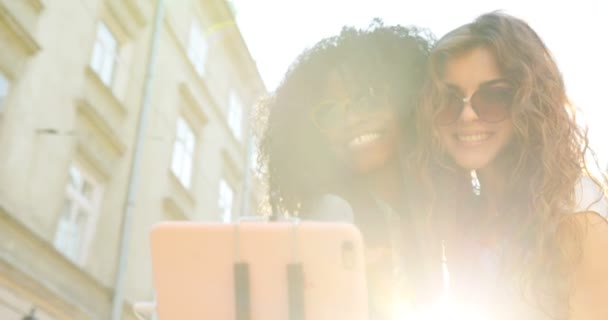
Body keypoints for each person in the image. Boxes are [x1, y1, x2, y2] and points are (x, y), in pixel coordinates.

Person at [416, 11, 608, 320]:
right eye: (447, 99)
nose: (467, 116)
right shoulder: (464, 218)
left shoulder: (576, 214)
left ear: (529, 104)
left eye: (494, 96)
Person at [256, 20, 438, 318]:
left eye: (367, 99)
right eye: (329, 112)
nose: (350, 119)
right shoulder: (327, 219)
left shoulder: (452, 204)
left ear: (411, 101)